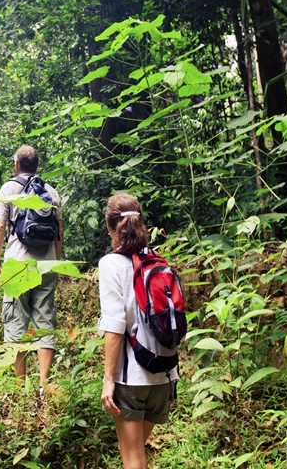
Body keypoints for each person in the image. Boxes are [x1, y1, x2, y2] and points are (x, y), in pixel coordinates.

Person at [98, 193, 178, 469]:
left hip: (132, 377)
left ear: (109, 227)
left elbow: (114, 325)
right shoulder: (159, 261)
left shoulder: (110, 264)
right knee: (137, 454)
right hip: (164, 374)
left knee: (133, 460)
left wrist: (109, 379)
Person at [0, 145, 64, 387]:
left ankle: (20, 387)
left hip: (18, 266)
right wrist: (55, 263)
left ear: (17, 165)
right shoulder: (51, 192)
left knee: (15, 324)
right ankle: (43, 387)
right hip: (47, 265)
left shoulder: (9, 188)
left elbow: (0, 228)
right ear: (36, 165)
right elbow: (59, 232)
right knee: (44, 323)